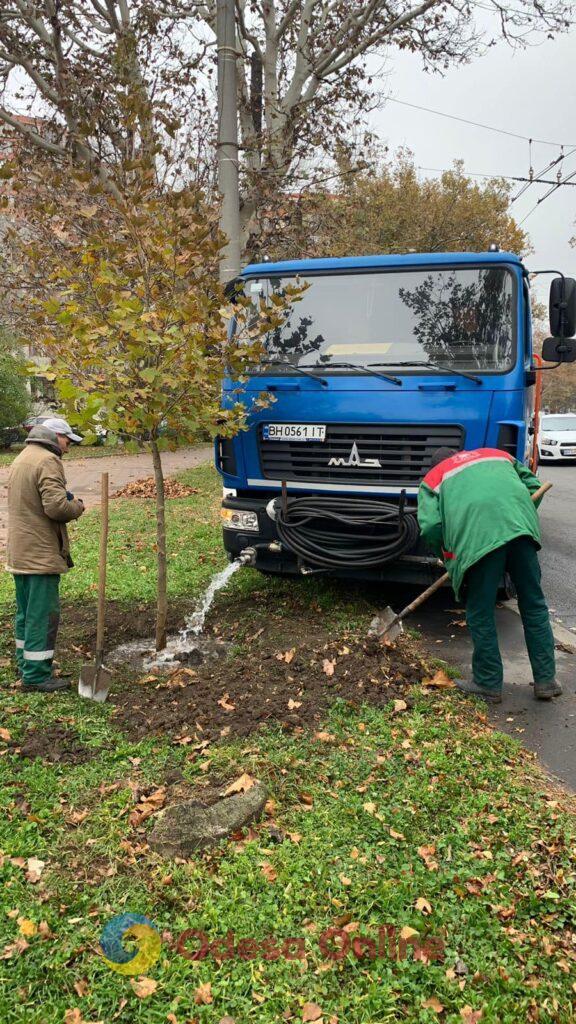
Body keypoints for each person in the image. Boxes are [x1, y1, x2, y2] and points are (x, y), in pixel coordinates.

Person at [418, 446, 561, 704]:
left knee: (480, 611)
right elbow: (533, 485)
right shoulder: (496, 455)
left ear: (436, 464)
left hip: (478, 542)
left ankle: (487, 682)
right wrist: (521, 513)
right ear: (461, 452)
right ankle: (546, 680)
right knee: (534, 605)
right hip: (521, 531)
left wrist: (449, 554)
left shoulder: (433, 479)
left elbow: (431, 527)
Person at [6, 417, 85, 692]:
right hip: (39, 553)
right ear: (54, 437)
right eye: (67, 440)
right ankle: (37, 676)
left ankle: (26, 664)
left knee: (26, 613)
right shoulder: (48, 461)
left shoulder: (24, 456)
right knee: (42, 615)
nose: (68, 447)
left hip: (21, 551)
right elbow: (56, 508)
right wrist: (77, 505)